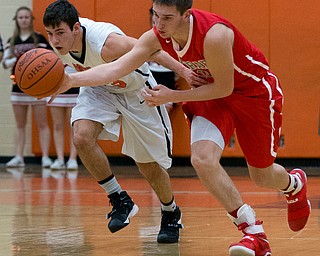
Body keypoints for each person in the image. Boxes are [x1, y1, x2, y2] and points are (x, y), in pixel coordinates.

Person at [53, 1, 311, 255]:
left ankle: (294, 184)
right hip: (210, 96)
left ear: (186, 15)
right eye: (156, 15)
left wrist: (170, 96)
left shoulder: (214, 34)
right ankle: (253, 232)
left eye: (167, 18)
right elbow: (117, 68)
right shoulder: (155, 36)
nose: (159, 24)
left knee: (262, 175)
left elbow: (225, 88)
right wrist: (69, 80)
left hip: (252, 94)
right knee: (201, 159)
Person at [42, 0, 203, 243]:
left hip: (136, 91)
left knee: (147, 165)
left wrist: (184, 72)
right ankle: (119, 199)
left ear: (76, 28)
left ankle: (170, 212)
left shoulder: (107, 43)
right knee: (81, 136)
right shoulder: (57, 46)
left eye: (60, 33)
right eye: (50, 34)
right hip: (99, 89)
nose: (54, 40)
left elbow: (152, 50)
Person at [3, 6, 53, 168]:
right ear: (16, 20)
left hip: (37, 88)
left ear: (31, 20)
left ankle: (45, 157)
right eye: (20, 17)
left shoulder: (39, 39)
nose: (23, 20)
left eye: (26, 17)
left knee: (42, 123)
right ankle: (19, 156)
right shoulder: (12, 40)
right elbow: (4, 63)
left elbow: (51, 59)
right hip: (18, 88)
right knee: (19, 124)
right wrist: (15, 60)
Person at [47, 65, 79, 170]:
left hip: (75, 88)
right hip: (55, 87)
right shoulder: (48, 49)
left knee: (73, 125)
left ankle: (73, 159)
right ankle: (60, 158)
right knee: (57, 125)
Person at [148, 7, 178, 114]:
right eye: (154, 22)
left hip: (167, 81)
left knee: (163, 116)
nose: (158, 25)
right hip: (151, 80)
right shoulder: (148, 41)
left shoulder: (175, 40)